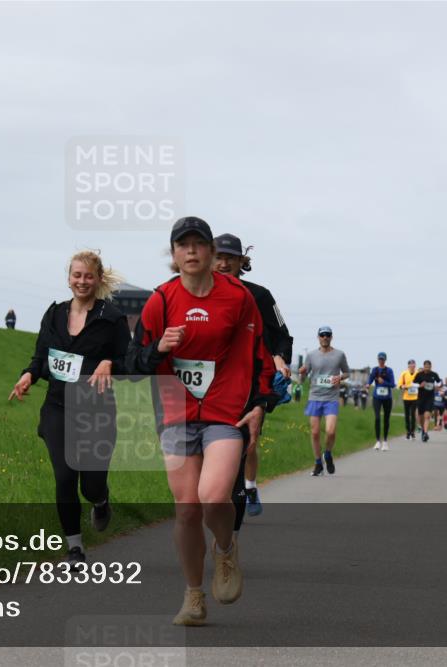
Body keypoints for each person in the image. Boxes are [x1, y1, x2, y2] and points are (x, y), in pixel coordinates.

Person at [126, 216, 274, 626]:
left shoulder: (239, 298)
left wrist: (260, 402)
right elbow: (133, 364)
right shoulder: (160, 300)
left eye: (198, 244)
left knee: (212, 495)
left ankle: (224, 550)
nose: (191, 251)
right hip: (176, 414)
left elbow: (259, 354)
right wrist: (158, 347)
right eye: (182, 245)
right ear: (173, 256)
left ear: (211, 253)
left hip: (225, 412)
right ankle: (193, 596)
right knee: (187, 508)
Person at [9, 251, 130, 569]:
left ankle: (101, 500)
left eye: (88, 276)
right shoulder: (54, 314)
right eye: (77, 275)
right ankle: (74, 548)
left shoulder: (112, 318)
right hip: (58, 408)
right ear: (69, 278)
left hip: (96, 412)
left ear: (98, 279)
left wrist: (111, 362)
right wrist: (28, 375)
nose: (82, 281)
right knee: (64, 476)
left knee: (90, 484)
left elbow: (130, 361)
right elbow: (41, 357)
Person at [214, 233, 294, 521]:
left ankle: (246, 489)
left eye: (230, 258)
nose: (223, 264)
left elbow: (283, 337)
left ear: (241, 262)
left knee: (247, 444)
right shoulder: (195, 295)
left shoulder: (259, 295)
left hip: (248, 387)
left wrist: (279, 357)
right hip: (207, 392)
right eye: (218, 257)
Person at [298, 326, 350, 476]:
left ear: (331, 337)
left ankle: (327, 453)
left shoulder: (339, 355)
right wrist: (301, 373)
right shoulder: (311, 355)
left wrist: (339, 378)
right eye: (322, 335)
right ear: (318, 337)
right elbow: (302, 379)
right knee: (314, 433)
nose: (325, 337)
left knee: (330, 431)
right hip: (315, 397)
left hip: (331, 398)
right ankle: (317, 463)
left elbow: (347, 372)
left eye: (327, 335)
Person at [367, 352, 396, 451]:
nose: (381, 361)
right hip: (377, 397)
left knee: (386, 419)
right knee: (377, 418)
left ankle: (385, 441)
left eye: (382, 359)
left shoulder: (389, 371)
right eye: (379, 359)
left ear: (385, 360)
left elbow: (393, 385)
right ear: (377, 359)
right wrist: (368, 384)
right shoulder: (375, 370)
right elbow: (370, 379)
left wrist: (384, 382)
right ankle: (378, 441)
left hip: (387, 398)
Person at [413, 360, 442, 442]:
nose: (427, 368)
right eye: (426, 366)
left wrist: (437, 387)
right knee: (421, 417)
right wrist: (419, 385)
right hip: (421, 398)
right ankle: (423, 430)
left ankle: (425, 433)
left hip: (430, 398)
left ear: (431, 367)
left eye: (428, 366)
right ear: (423, 366)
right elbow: (413, 384)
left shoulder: (434, 374)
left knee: (427, 416)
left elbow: (440, 382)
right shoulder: (419, 375)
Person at [397, 359, 419, 440]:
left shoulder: (418, 373)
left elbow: (420, 383)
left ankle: (412, 431)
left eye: (414, 364)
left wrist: (418, 386)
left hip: (415, 397)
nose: (413, 366)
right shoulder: (404, 373)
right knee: (407, 415)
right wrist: (403, 386)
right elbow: (399, 385)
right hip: (406, 397)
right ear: (408, 366)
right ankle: (408, 431)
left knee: (413, 415)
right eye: (411, 365)